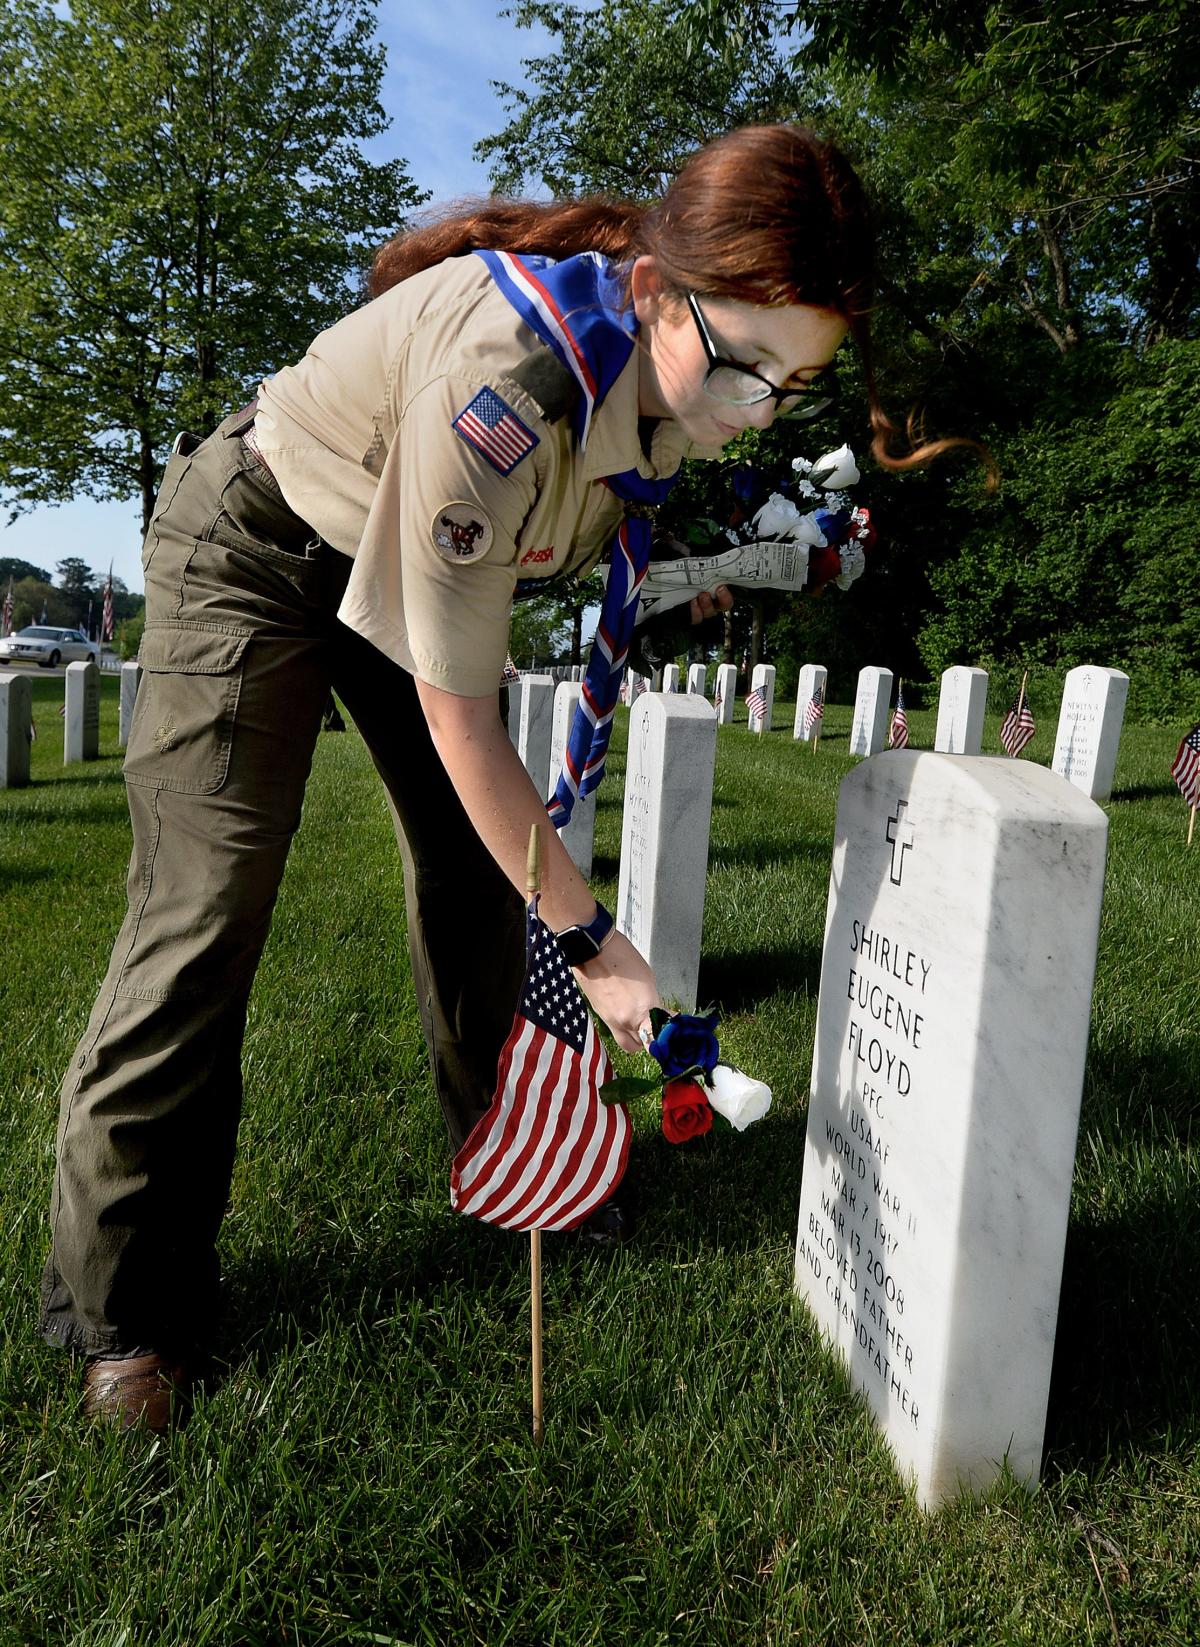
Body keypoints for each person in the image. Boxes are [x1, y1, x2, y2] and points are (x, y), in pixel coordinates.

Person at [40, 123, 965, 1432]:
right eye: (746, 366)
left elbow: (607, 555)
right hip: (258, 535)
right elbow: (464, 716)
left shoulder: (668, 376)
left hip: (397, 543)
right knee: (205, 911)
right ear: (655, 290)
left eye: (791, 386)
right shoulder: (509, 388)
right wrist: (594, 942)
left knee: (484, 876)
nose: (752, 411)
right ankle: (126, 1307)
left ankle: (520, 1158)